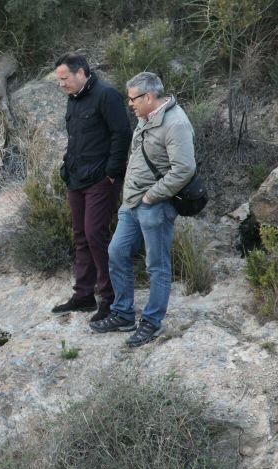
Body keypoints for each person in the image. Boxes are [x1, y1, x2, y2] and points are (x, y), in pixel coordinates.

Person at [90, 72, 196, 347]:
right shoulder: (145, 118)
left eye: (133, 98)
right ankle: (123, 314)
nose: (130, 104)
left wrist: (151, 196)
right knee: (116, 252)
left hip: (154, 206)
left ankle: (151, 322)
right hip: (132, 203)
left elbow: (184, 169)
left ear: (148, 97)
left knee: (157, 266)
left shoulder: (176, 124)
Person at [52, 52, 132, 323]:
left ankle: (109, 299)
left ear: (81, 73)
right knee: (80, 236)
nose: (61, 84)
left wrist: (112, 173)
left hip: (101, 179)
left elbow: (122, 134)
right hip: (76, 179)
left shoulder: (106, 95)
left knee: (95, 234)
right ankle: (83, 295)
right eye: (58, 80)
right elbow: (75, 138)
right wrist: (66, 167)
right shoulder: (72, 100)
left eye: (65, 79)